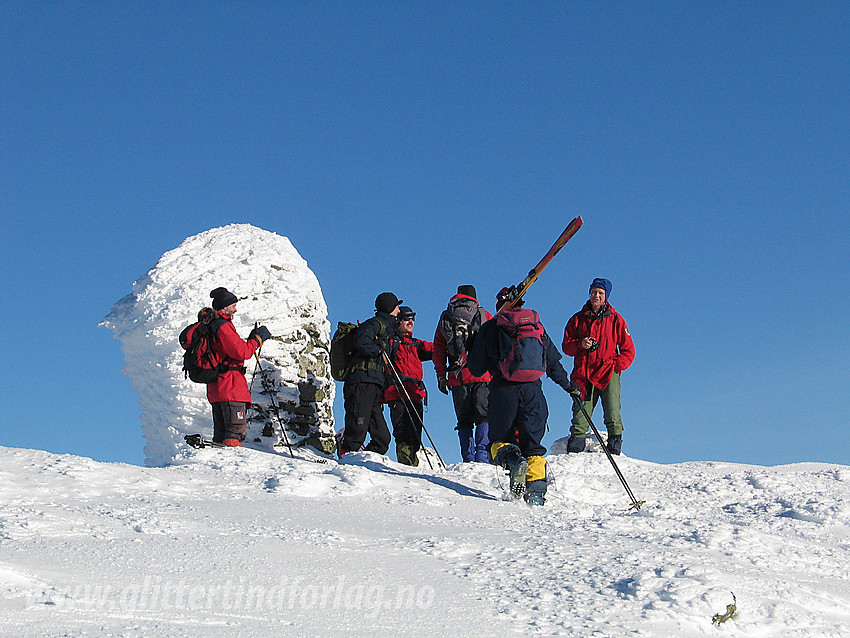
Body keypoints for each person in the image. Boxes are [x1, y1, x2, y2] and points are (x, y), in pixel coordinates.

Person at [467, 292, 576, 506]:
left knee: (499, 441)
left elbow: (475, 368)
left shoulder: (492, 327)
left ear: (499, 305)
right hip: (534, 392)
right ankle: (535, 493)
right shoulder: (535, 326)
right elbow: (553, 363)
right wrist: (570, 387)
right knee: (533, 446)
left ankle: (514, 460)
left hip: (503, 392)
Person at [562, 278, 635, 455]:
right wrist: (581, 344)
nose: (596, 296)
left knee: (612, 411)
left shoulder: (616, 320)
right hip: (583, 374)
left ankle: (615, 444)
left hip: (608, 372)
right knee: (580, 413)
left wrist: (616, 366)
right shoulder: (577, 319)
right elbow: (566, 346)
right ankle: (576, 446)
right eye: (594, 292)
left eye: (600, 293)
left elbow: (629, 350)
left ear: (606, 296)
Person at [433, 285, 493, 463]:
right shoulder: (483, 314)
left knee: (464, 420)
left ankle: (468, 457)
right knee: (484, 416)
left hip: (456, 375)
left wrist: (441, 375)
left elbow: (438, 349)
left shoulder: (446, 317)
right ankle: (482, 456)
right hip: (483, 374)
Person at [206, 287, 271, 446]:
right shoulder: (223, 326)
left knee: (221, 435)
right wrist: (257, 339)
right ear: (224, 307)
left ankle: (218, 464)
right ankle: (230, 462)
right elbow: (242, 352)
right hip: (230, 387)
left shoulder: (212, 326)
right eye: (233, 305)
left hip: (218, 388)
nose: (235, 309)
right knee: (234, 431)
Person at [339, 292, 401, 457]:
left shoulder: (387, 329)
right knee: (356, 430)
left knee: (382, 438)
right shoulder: (374, 325)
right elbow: (362, 344)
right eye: (397, 306)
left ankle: (363, 464)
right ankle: (345, 461)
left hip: (374, 383)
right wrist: (378, 348)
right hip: (361, 380)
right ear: (390, 308)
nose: (399, 310)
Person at [383, 306, 433, 466]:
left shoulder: (414, 343)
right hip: (397, 393)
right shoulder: (390, 342)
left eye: (413, 318)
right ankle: (406, 465)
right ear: (398, 321)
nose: (411, 321)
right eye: (407, 318)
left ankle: (412, 464)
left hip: (415, 393)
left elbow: (435, 348)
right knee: (403, 433)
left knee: (416, 434)